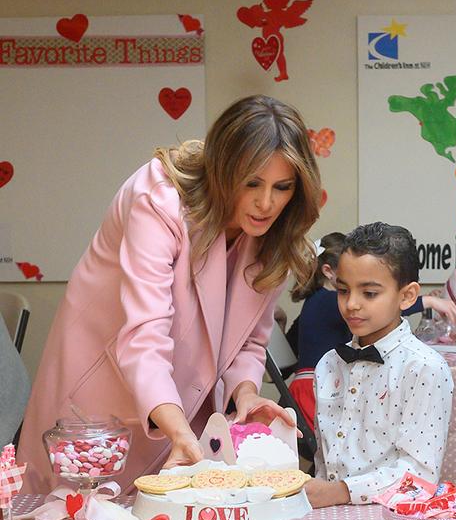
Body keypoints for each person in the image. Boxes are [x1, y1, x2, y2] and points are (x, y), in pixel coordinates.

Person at [18, 95, 321, 493]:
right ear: (223, 171)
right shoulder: (157, 199)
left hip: (186, 412)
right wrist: (179, 432)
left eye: (282, 188)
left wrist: (245, 394)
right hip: (99, 408)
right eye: (252, 183)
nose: (267, 203)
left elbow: (249, 340)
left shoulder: (276, 235)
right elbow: (143, 336)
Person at [304, 222, 453, 508]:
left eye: (369, 293)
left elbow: (419, 476)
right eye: (343, 291)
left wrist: (340, 492)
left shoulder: (423, 368)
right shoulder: (328, 365)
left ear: (407, 296)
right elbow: (325, 462)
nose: (352, 305)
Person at [285, 232, 347, 429]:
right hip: (316, 395)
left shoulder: (314, 303)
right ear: (329, 271)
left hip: (302, 393)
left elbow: (287, 361)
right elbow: (377, 310)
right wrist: (426, 301)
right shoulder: (330, 301)